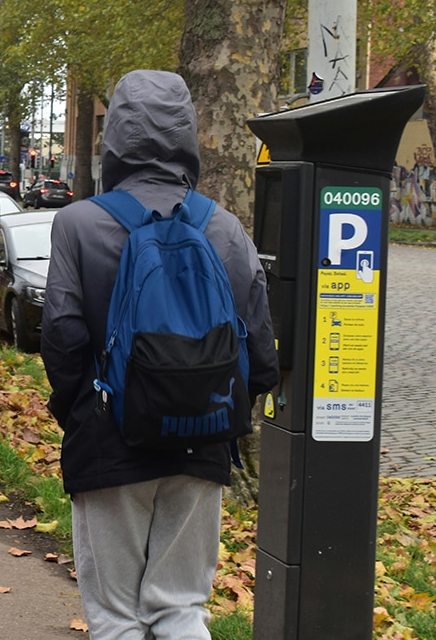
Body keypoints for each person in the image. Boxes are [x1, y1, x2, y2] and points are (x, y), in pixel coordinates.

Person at [40, 70, 278, 639]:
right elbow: (262, 350)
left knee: (116, 615)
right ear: (187, 135)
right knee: (181, 608)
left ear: (114, 138)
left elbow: (63, 338)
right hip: (201, 439)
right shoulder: (223, 225)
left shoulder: (78, 223)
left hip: (109, 443)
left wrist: (81, 412)